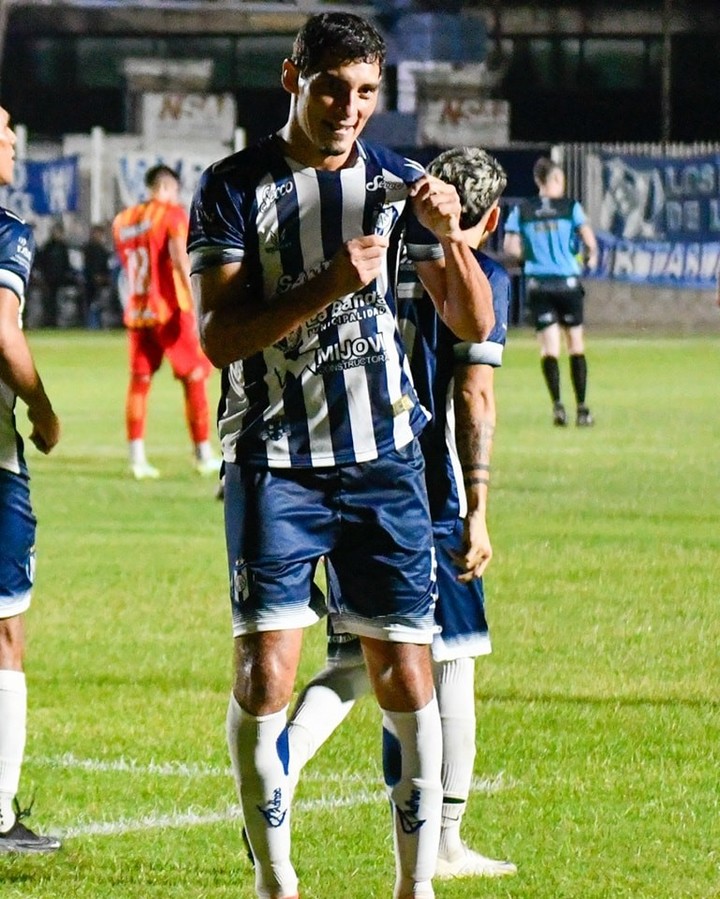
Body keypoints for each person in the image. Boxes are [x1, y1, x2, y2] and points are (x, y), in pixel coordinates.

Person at [187, 13, 494, 899]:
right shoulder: (233, 187)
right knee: (265, 671)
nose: (348, 108)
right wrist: (329, 281)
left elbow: (472, 320)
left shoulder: (401, 183)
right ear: (294, 78)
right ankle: (277, 883)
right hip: (273, 459)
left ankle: (413, 885)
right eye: (332, 87)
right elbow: (219, 336)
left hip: (384, 461)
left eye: (365, 92)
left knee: (404, 668)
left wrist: (456, 240)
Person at [285, 147, 517, 881]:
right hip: (427, 489)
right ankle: (443, 841)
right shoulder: (480, 275)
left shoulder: (379, 254)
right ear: (495, 216)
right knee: (449, 664)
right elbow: (474, 394)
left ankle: (274, 768)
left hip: (351, 471)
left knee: (355, 655)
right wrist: (477, 508)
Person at [0, 103, 62, 853]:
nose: (12, 145)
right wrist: (44, 411)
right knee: (5, 635)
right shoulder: (5, 230)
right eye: (2, 136)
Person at [112, 164, 221, 480]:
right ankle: (202, 454)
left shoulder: (123, 221)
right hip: (170, 311)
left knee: (139, 382)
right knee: (195, 378)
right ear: (168, 188)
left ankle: (136, 457)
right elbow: (179, 258)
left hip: (137, 311)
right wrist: (198, 302)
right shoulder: (172, 215)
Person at [503, 156, 598, 427]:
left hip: (538, 283)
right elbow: (590, 244)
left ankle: (558, 406)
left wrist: (530, 259)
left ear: (537, 181)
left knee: (549, 349)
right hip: (567, 282)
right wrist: (588, 258)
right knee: (576, 346)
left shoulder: (524, 209)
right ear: (555, 179)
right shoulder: (570, 208)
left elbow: (510, 248)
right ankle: (582, 409)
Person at [35, 221, 73, 328]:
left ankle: (56, 322)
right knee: (48, 302)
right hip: (48, 279)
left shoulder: (63, 247)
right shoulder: (48, 247)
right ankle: (48, 321)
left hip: (60, 279)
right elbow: (42, 263)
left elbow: (66, 264)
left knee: (58, 302)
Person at [82, 224, 111, 329]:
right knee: (90, 303)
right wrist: (94, 276)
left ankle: (99, 324)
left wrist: (105, 277)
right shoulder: (89, 249)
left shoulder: (102, 250)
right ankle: (90, 324)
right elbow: (88, 266)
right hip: (90, 282)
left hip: (101, 281)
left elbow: (105, 265)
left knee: (100, 304)